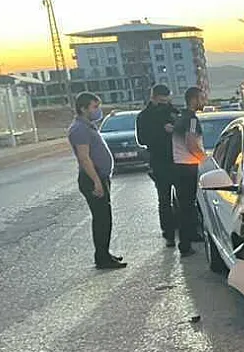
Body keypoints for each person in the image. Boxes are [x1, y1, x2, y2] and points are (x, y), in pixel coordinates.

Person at [69, 92, 125, 269]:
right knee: (101, 219)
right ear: (83, 108)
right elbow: (84, 158)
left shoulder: (88, 126)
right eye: (94, 107)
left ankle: (104, 253)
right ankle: (102, 258)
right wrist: (97, 182)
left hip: (98, 177)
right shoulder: (80, 129)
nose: (98, 110)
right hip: (92, 178)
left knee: (104, 218)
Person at [136, 84, 180, 246]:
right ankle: (168, 233)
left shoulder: (174, 111)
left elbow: (188, 129)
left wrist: (175, 129)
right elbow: (142, 139)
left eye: (166, 100)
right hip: (159, 161)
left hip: (179, 160)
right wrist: (162, 131)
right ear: (153, 98)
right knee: (164, 199)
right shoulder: (144, 116)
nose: (164, 104)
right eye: (160, 101)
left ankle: (187, 231)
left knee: (183, 199)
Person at [171, 86, 209, 258]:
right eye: (202, 98)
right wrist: (206, 161)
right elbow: (191, 144)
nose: (204, 101)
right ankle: (185, 245)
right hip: (188, 167)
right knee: (188, 206)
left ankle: (190, 237)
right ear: (194, 99)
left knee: (185, 205)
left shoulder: (181, 117)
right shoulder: (192, 119)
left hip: (179, 166)